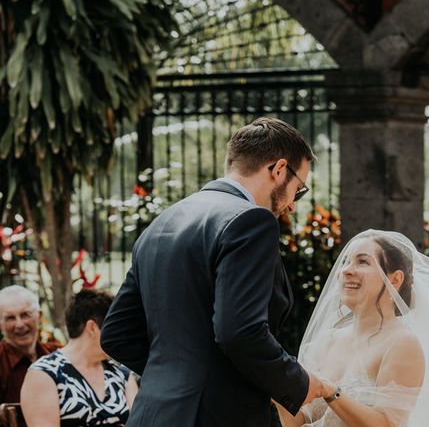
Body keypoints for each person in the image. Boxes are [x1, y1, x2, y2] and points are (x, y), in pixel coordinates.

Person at [100, 117, 324, 426]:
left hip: (152, 414)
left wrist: (178, 377)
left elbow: (116, 334)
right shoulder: (253, 221)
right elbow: (239, 331)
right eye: (298, 191)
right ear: (279, 169)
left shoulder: (162, 222)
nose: (293, 206)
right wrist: (298, 381)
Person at [277, 230, 429, 427]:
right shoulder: (329, 340)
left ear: (394, 280)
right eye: (345, 261)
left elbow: (386, 423)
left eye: (362, 262)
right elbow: (301, 418)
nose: (346, 270)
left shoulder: (402, 343)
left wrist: (330, 391)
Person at [20, 290, 138, 426]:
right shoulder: (44, 374)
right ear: (92, 327)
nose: (123, 337)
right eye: (116, 329)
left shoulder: (122, 374)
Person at [0, 285, 61, 404]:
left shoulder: (59, 354)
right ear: (0, 325)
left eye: (25, 315)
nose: (19, 325)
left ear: (39, 316)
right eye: (10, 318)